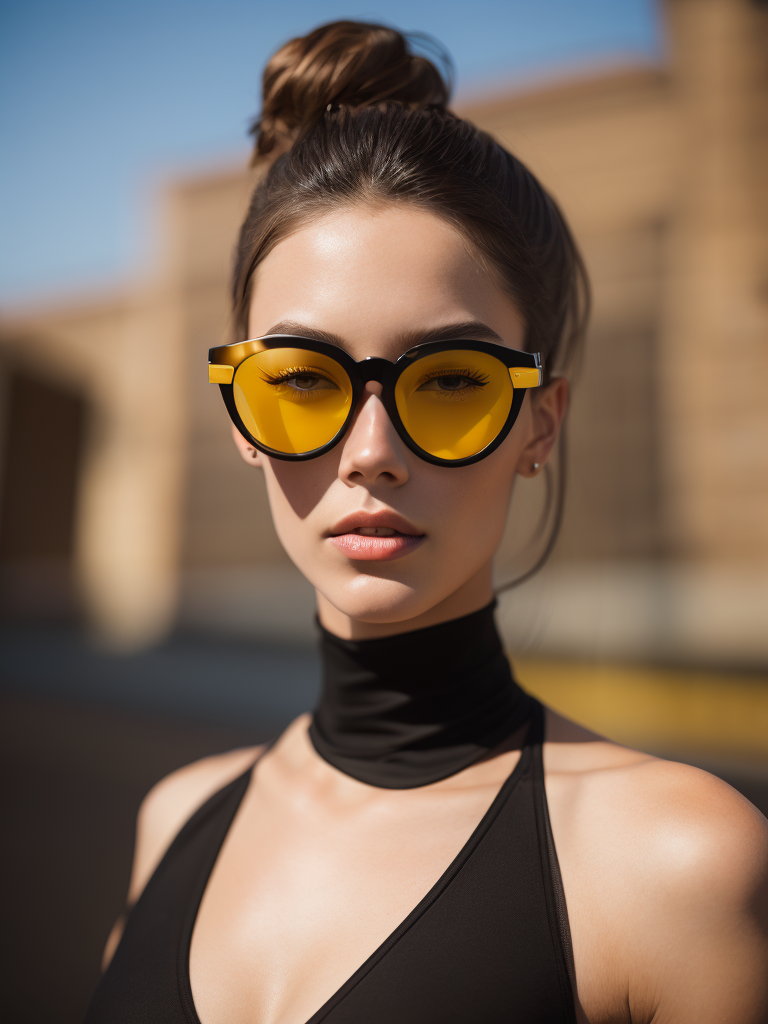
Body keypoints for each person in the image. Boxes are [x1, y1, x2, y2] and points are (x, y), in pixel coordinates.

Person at [85, 21, 768, 1024]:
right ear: (241, 414)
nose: (371, 451)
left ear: (541, 421)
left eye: (449, 379)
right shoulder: (173, 819)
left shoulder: (679, 865)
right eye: (303, 379)